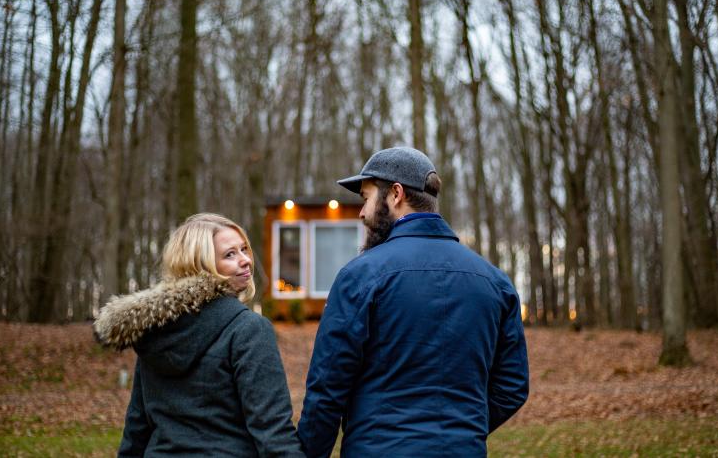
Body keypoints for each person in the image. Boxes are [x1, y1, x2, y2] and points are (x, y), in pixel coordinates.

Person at [297, 147, 529, 458]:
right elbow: (512, 386)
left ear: (395, 194)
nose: (362, 212)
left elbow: (327, 389)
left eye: (365, 198)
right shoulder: (495, 283)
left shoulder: (360, 276)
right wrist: (460, 429)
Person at [94, 213, 304, 457]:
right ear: (201, 266)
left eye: (244, 249)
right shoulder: (249, 329)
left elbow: (135, 434)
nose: (246, 260)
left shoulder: (154, 328)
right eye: (230, 254)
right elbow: (272, 431)